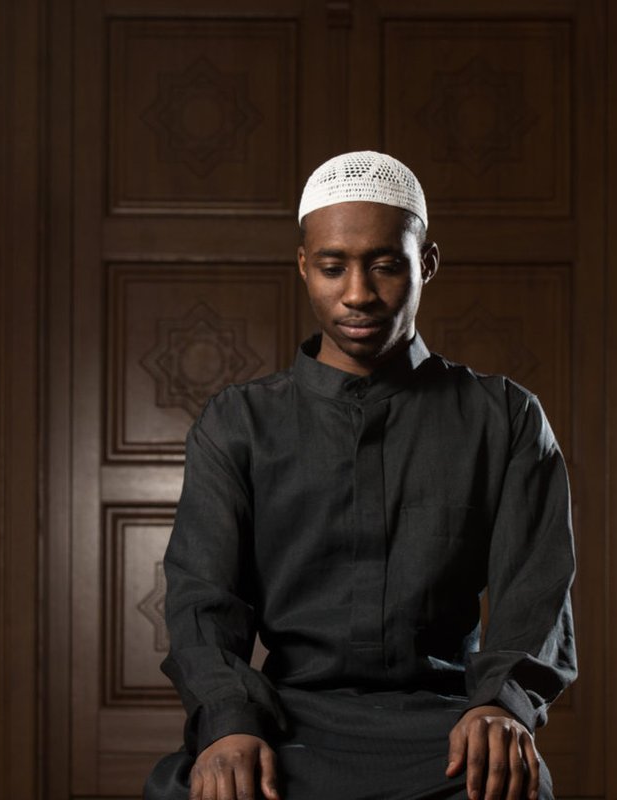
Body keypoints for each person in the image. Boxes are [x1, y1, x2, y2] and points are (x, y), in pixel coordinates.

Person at [145, 151, 577, 800]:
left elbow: (535, 593)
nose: (357, 294)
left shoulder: (505, 418)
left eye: (385, 265)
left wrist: (502, 705)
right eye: (332, 267)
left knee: (517, 785)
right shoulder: (238, 424)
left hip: (447, 730)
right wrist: (228, 722)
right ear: (303, 266)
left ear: (426, 263)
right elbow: (202, 597)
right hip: (284, 725)